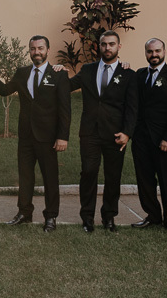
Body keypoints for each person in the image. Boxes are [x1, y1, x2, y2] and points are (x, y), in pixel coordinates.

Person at [0, 35, 70, 232]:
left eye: (40, 48)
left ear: (47, 49)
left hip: (48, 137)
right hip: (26, 136)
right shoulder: (22, 73)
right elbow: (4, 90)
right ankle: (24, 213)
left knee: (50, 178)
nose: (36, 52)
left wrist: (63, 136)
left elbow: (65, 108)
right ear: (29, 51)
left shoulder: (58, 74)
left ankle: (51, 217)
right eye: (33, 49)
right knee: (25, 176)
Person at [68, 30, 138, 232]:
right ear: (98, 46)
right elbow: (67, 85)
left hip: (116, 134)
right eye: (104, 44)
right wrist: (54, 71)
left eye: (111, 44)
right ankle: (87, 217)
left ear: (119, 47)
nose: (107, 48)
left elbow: (132, 108)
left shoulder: (128, 74)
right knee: (88, 173)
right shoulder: (88, 69)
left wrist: (127, 133)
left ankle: (109, 217)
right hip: (89, 132)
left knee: (112, 177)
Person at [131, 38, 167, 236]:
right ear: (145, 53)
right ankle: (153, 215)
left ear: (164, 51)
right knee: (144, 180)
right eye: (149, 51)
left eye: (157, 51)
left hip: (164, 140)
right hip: (141, 139)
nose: (153, 55)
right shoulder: (139, 75)